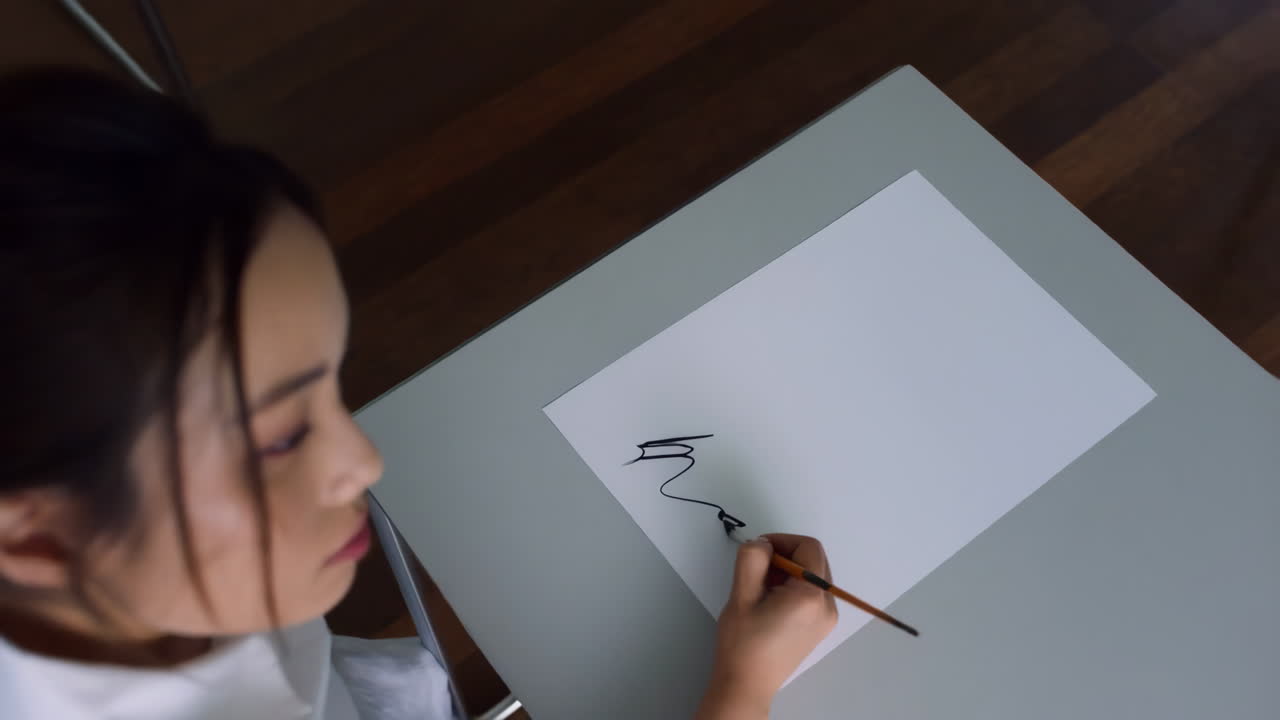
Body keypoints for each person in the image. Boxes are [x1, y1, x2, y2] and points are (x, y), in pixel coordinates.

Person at [0, 67, 837, 720]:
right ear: (35, 536)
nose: (365, 460)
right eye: (283, 437)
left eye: (332, 385)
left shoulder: (163, 580)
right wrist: (741, 689)